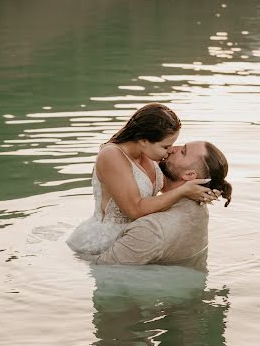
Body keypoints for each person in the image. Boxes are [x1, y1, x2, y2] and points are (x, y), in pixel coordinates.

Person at [66, 104, 217, 255]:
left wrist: (203, 190)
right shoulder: (112, 156)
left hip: (139, 236)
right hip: (104, 243)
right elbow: (135, 210)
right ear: (144, 140)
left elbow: (168, 188)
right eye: (166, 146)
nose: (171, 150)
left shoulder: (148, 153)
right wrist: (183, 191)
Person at [89, 140, 232, 266]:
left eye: (182, 151)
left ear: (189, 175)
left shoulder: (151, 229)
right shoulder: (200, 210)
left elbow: (101, 267)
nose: (171, 149)